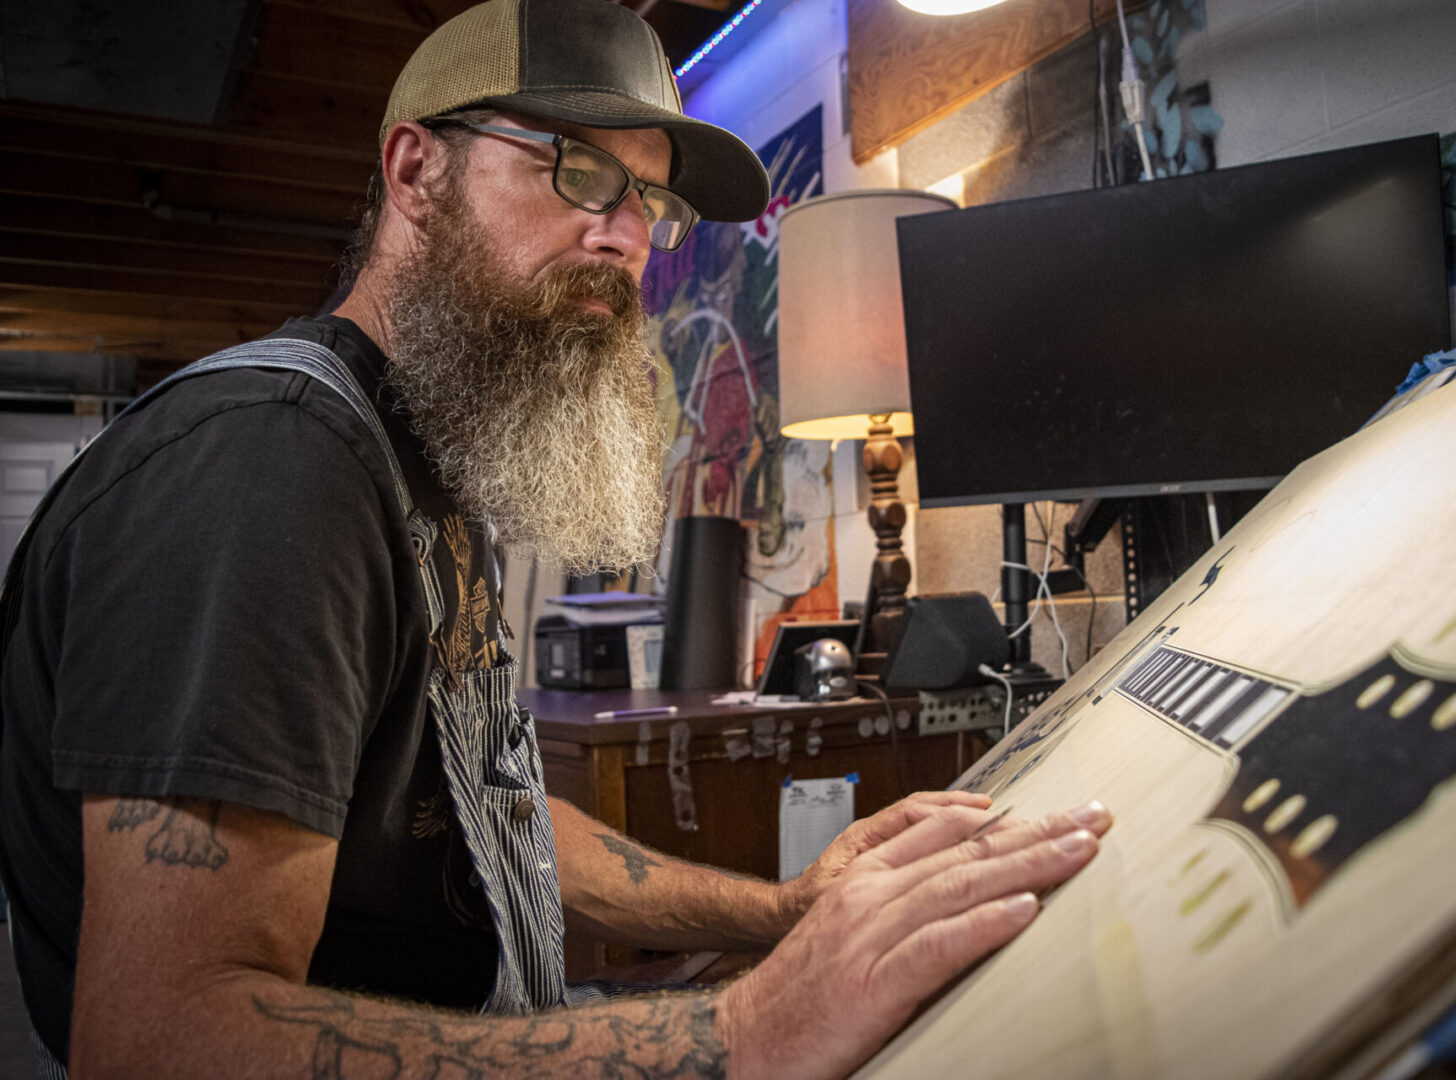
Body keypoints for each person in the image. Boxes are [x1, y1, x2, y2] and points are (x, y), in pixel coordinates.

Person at [0, 0, 1112, 1076]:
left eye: (650, 201)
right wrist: (745, 1033)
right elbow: (158, 1041)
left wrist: (783, 909)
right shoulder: (271, 466)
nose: (627, 235)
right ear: (414, 171)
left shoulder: (424, 456)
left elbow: (493, 812)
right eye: (576, 169)